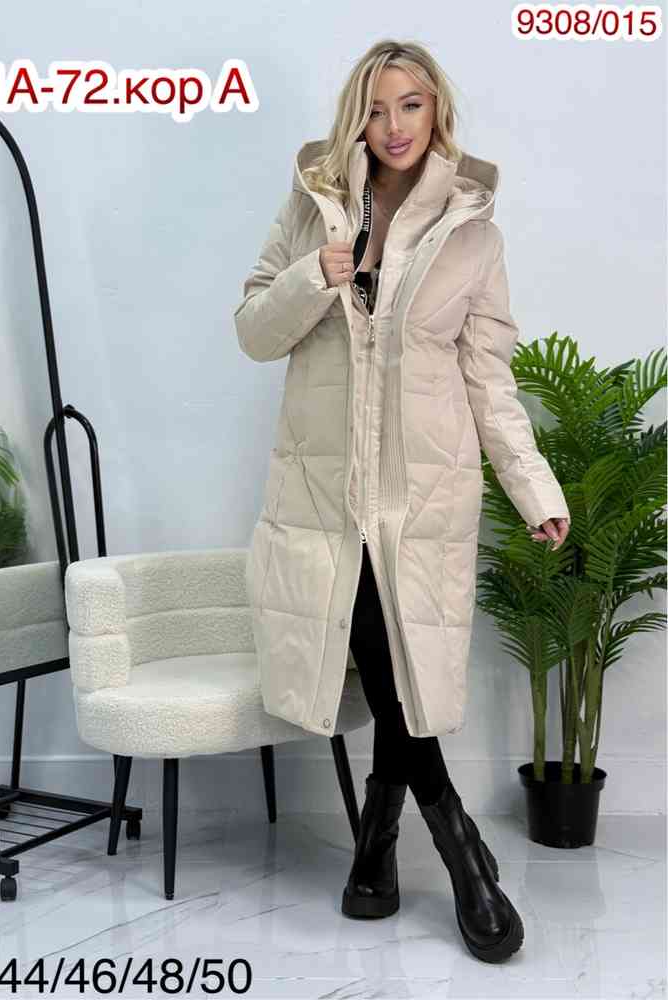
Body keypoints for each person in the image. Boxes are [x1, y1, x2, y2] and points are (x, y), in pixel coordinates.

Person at [234, 39, 570, 965]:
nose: (394, 127)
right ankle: (460, 849)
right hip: (326, 495)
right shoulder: (313, 208)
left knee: (401, 670)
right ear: (358, 117)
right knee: (389, 665)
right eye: (377, 109)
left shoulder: (473, 234)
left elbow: (490, 382)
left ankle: (380, 843)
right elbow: (252, 332)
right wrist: (316, 273)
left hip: (423, 498)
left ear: (436, 111)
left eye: (411, 105)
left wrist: (534, 487)